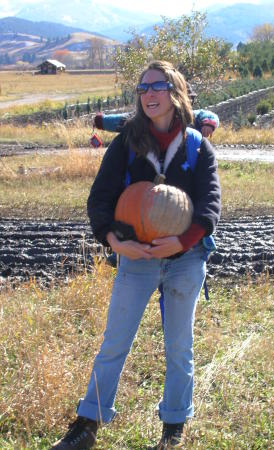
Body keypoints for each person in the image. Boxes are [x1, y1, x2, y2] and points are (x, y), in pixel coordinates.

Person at [51, 60, 221, 450]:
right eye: (142, 89)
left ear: (174, 91)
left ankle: (173, 429)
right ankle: (87, 425)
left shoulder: (197, 147)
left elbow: (210, 206)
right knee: (115, 341)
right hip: (135, 259)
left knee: (179, 347)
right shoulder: (126, 142)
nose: (148, 95)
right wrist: (113, 240)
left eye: (157, 86)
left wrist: (183, 241)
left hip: (185, 260)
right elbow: (100, 199)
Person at [93, 83, 220, 138]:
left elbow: (208, 114)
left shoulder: (192, 117)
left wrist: (208, 123)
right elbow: (122, 119)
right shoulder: (144, 119)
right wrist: (102, 121)